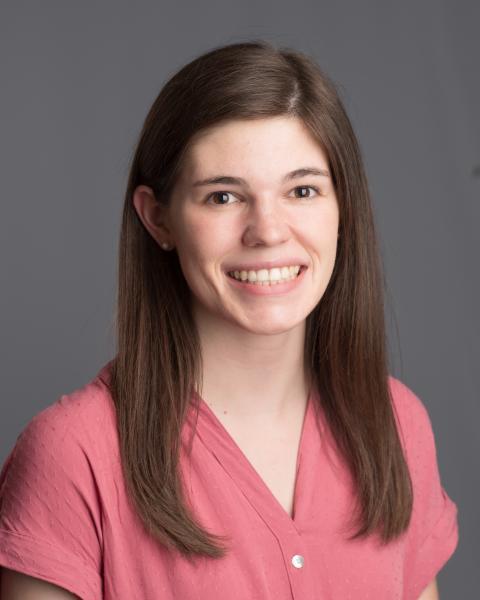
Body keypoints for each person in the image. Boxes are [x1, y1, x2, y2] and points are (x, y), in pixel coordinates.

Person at [0, 40, 458, 599]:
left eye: (303, 190)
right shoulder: (74, 455)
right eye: (223, 197)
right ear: (158, 219)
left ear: (344, 209)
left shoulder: (397, 424)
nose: (267, 230)